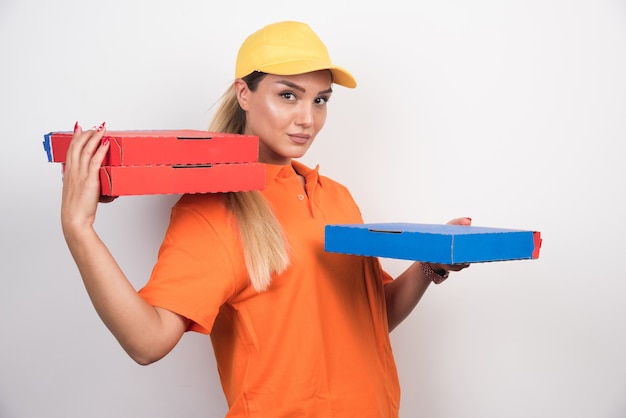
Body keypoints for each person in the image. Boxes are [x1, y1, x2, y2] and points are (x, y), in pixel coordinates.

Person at [61, 20, 470, 417]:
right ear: (244, 93)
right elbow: (146, 341)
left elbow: (370, 318)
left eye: (320, 100)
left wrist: (430, 264)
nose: (307, 118)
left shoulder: (337, 197)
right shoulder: (216, 208)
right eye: (288, 96)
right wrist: (80, 230)